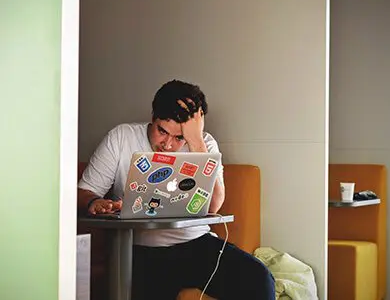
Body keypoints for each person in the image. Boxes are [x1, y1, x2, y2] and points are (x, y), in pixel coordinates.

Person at [77, 79, 275, 300]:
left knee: (259, 279)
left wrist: (196, 141)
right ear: (153, 117)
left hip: (195, 244)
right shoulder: (122, 137)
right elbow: (84, 192)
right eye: (162, 131)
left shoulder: (204, 144)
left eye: (179, 137)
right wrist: (95, 203)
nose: (168, 144)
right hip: (139, 249)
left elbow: (213, 205)